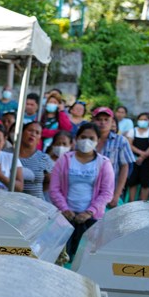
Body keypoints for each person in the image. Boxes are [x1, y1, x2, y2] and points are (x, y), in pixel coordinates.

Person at [50, 123, 115, 260]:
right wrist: (65, 209)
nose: (87, 141)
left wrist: (89, 212)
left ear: (98, 140)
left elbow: (107, 192)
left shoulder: (104, 163)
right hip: (65, 217)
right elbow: (54, 189)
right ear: (76, 138)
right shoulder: (65, 160)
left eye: (91, 138)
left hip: (91, 219)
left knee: (84, 258)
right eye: (83, 137)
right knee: (60, 257)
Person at [91, 107, 134, 208]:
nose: (102, 122)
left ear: (112, 122)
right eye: (99, 119)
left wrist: (117, 194)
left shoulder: (121, 141)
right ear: (93, 121)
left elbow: (124, 167)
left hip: (110, 191)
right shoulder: (87, 139)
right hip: (88, 191)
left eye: (106, 120)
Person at [17, 121, 56, 199]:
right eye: (30, 130)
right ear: (21, 133)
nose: (33, 134)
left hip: (36, 204)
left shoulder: (44, 158)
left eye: (37, 133)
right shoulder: (9, 155)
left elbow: (50, 181)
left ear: (39, 139)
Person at [126, 112, 149, 203]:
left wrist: (143, 156)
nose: (143, 121)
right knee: (132, 182)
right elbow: (129, 144)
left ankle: (143, 204)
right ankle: (131, 203)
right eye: (141, 119)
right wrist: (140, 153)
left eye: (145, 120)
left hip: (147, 161)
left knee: (145, 183)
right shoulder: (133, 131)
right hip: (134, 159)